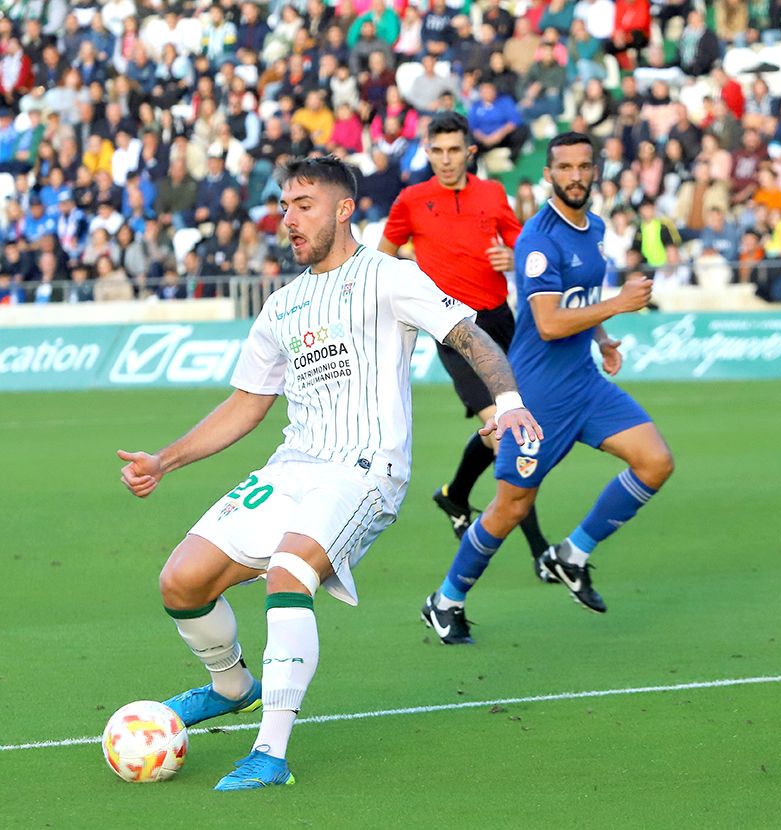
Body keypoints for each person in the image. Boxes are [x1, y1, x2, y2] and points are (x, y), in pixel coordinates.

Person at [116, 156, 540, 790]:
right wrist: (164, 460)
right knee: (180, 581)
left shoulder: (392, 278)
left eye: (304, 205)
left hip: (365, 470)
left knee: (288, 573)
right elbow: (247, 404)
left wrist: (506, 403)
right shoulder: (282, 305)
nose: (289, 218)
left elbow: (468, 335)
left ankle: (270, 754)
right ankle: (232, 687)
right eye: (285, 205)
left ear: (344, 210)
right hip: (293, 467)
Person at [421, 132, 674, 644]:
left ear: (596, 169)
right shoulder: (538, 238)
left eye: (585, 166)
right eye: (565, 167)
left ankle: (572, 553)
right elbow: (551, 323)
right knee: (509, 507)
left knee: (655, 461)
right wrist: (620, 305)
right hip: (537, 397)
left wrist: (602, 337)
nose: (576, 175)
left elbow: (582, 299)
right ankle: (445, 599)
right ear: (549, 174)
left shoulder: (595, 227)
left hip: (584, 381)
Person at [378, 112, 552, 573]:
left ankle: (454, 495)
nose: (446, 159)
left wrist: (513, 257)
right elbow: (381, 261)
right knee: (511, 435)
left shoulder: (493, 193)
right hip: (453, 331)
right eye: (437, 151)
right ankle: (541, 552)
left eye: (455, 150)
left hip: (501, 321)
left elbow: (527, 250)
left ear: (469, 152)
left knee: (511, 425)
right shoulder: (411, 200)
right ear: (427, 151)